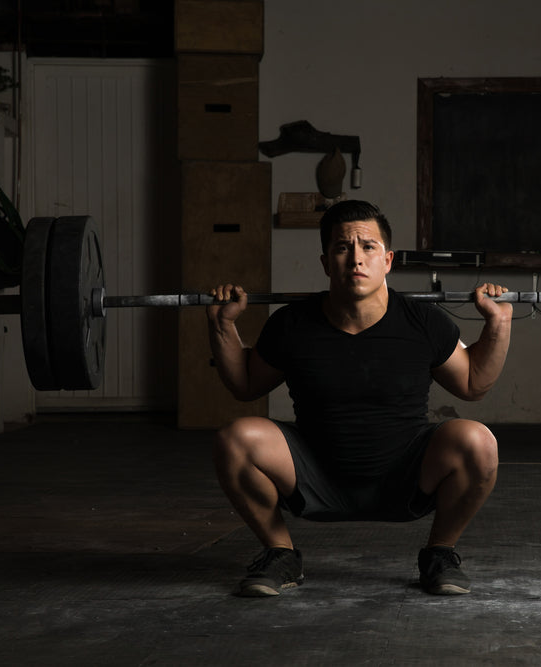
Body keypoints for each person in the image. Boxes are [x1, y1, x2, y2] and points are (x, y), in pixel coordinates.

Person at [206, 199, 512, 597]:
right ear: (325, 262)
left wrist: (499, 323)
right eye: (341, 248)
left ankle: (440, 553)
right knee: (236, 438)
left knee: (478, 442)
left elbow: (473, 385)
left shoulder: (423, 322)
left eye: (367, 247)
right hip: (315, 475)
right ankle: (280, 554)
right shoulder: (292, 323)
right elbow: (245, 386)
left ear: (387, 260)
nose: (355, 259)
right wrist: (222, 326)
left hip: (405, 477)